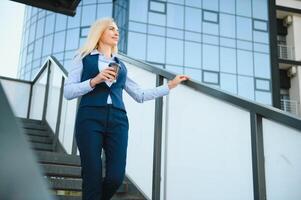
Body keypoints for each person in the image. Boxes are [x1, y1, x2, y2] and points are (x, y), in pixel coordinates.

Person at [64, 17, 189, 200]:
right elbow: (68, 92)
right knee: (92, 174)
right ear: (100, 33)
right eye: (111, 29)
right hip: (89, 118)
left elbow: (140, 95)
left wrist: (169, 86)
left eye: (117, 30)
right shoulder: (83, 58)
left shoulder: (121, 66)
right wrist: (94, 81)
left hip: (118, 121)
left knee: (116, 177)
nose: (116, 32)